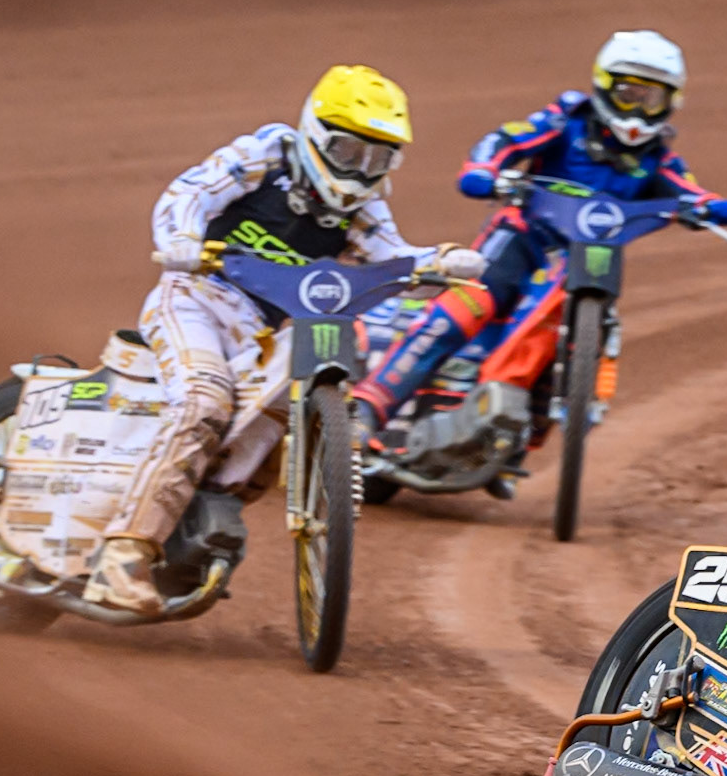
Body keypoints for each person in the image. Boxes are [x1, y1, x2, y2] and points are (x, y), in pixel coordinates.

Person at [83, 65, 484, 614]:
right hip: (194, 301)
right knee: (204, 401)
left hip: (263, 331)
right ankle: (122, 555)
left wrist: (438, 261)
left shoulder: (364, 207)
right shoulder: (266, 155)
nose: (360, 170)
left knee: (274, 427)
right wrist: (181, 238)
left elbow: (391, 255)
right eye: (349, 151)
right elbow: (192, 192)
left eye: (377, 159)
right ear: (316, 134)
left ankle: (193, 524)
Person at [352, 30, 727, 496]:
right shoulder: (566, 121)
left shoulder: (658, 160)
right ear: (604, 86)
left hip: (583, 264)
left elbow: (689, 190)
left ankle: (509, 448)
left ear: (670, 103)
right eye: (628, 94)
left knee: (563, 346)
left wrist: (708, 207)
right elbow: (505, 140)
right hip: (521, 240)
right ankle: (368, 407)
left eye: (651, 99)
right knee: (463, 309)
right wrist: (485, 171)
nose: (637, 110)